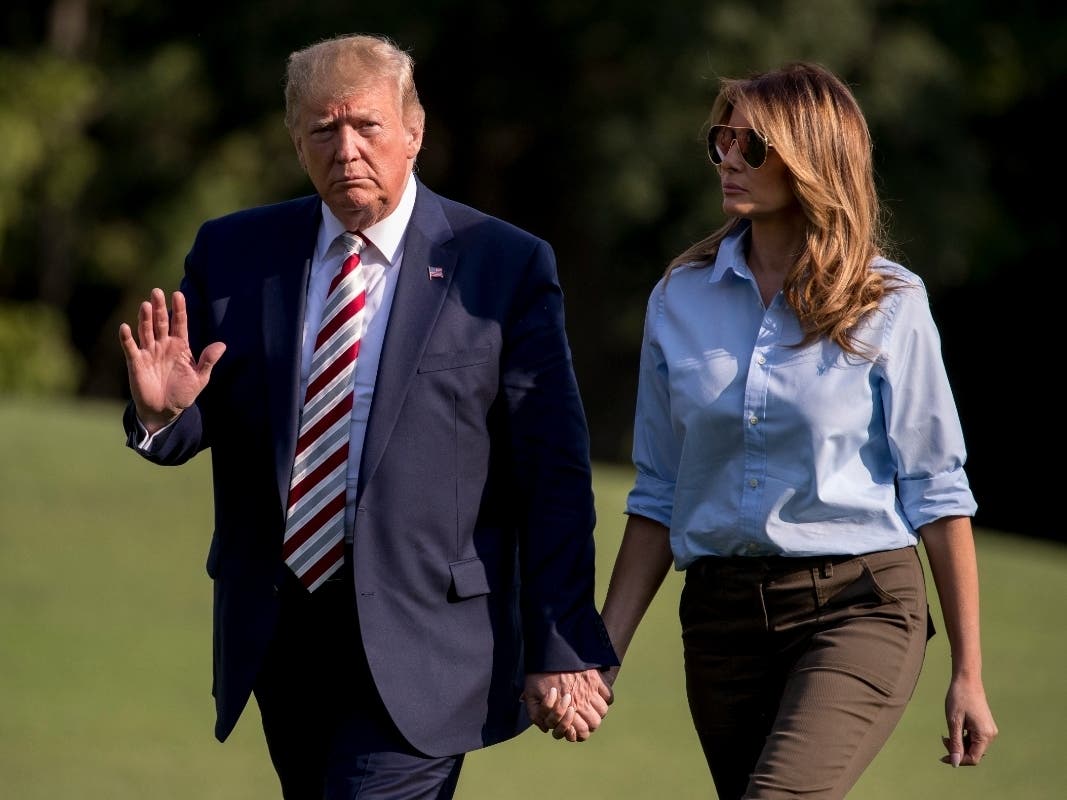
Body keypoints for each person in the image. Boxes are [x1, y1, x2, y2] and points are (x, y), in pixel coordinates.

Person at [117, 32, 616, 800]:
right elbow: (196, 417)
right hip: (282, 633)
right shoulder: (236, 253)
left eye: (366, 126)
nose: (345, 148)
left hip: (428, 639)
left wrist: (562, 641)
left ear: (413, 131)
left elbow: (550, 472)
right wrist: (161, 415)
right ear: (296, 142)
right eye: (322, 130)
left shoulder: (501, 263)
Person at [589, 62, 998, 798]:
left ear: (812, 159)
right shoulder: (678, 296)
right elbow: (657, 494)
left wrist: (966, 672)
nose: (727, 160)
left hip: (858, 604)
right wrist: (602, 657)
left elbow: (937, 491)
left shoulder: (891, 302)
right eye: (722, 140)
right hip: (718, 620)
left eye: (753, 147)